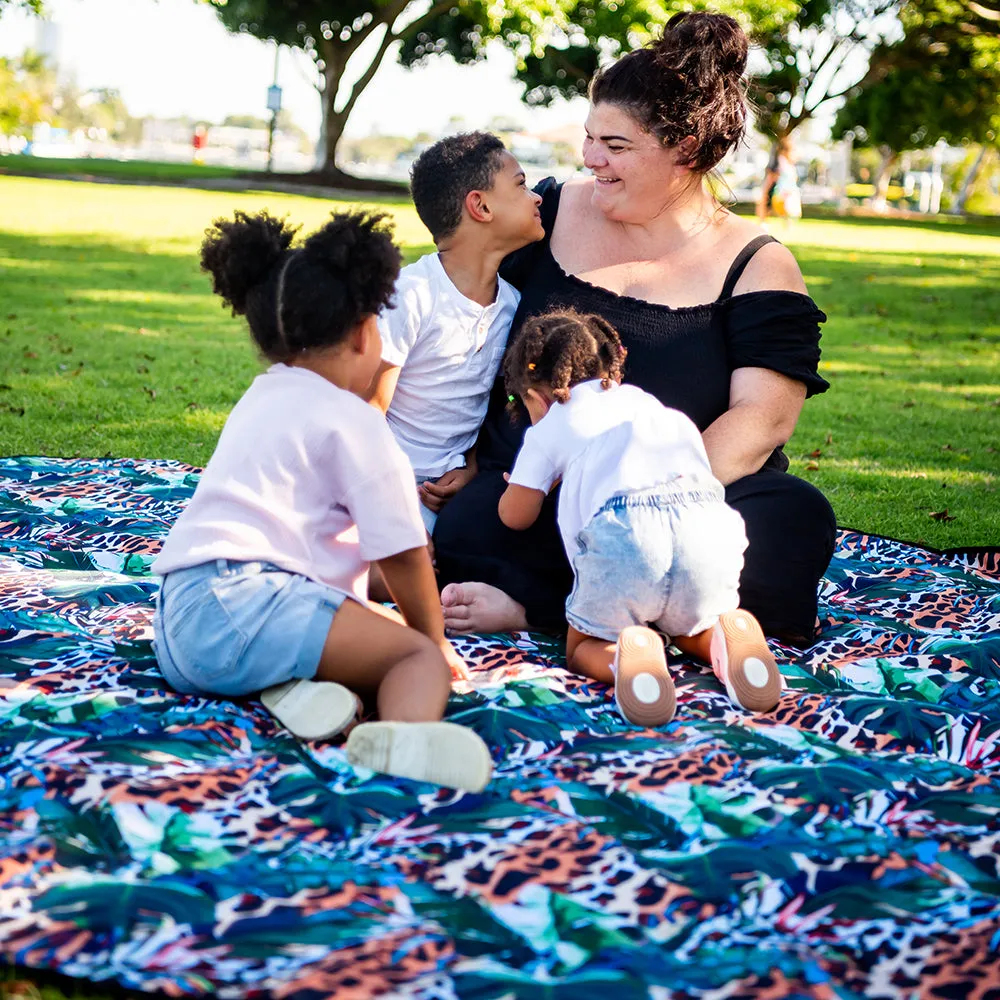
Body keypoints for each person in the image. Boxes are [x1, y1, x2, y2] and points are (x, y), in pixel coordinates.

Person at [434, 11, 836, 652]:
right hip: (542, 489)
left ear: (691, 153)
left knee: (792, 519)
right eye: (591, 138)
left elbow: (762, 422)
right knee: (473, 524)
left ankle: (552, 606)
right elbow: (457, 311)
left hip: (693, 496)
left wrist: (636, 502)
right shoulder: (551, 209)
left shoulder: (758, 263)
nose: (591, 159)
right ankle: (674, 619)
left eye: (616, 147)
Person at [152, 208, 492, 793]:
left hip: (179, 623)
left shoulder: (261, 397)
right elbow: (404, 552)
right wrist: (430, 639)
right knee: (410, 659)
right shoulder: (356, 422)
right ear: (364, 333)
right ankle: (404, 742)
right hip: (253, 604)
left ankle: (296, 690)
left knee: (346, 635)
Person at [499, 310, 781, 725]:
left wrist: (521, 483)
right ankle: (721, 639)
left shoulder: (551, 423)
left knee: (581, 645)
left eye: (521, 402)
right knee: (688, 626)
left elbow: (514, 516)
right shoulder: (646, 403)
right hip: (707, 529)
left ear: (538, 395)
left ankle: (627, 660)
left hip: (625, 535)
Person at [370, 132, 544, 532]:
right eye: (520, 185)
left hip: (448, 490)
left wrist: (471, 467)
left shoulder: (513, 305)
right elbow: (365, 413)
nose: (536, 197)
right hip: (377, 483)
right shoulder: (411, 294)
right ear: (480, 206)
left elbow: (491, 405)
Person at [757, 135, 802, 226]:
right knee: (765, 202)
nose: (795, 154)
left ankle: (768, 221)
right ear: (784, 151)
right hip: (779, 189)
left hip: (784, 190)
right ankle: (763, 221)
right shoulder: (781, 162)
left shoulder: (788, 164)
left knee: (772, 204)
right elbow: (772, 175)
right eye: (793, 151)